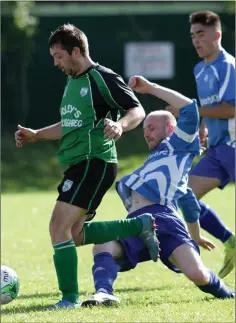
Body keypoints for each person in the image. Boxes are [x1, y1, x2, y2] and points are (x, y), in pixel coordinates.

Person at [14, 24, 161, 309]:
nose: (56, 63)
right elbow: (68, 125)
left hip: (94, 162)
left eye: (59, 56)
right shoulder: (72, 81)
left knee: (58, 227)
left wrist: (119, 125)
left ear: (76, 51)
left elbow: (137, 109)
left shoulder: (102, 78)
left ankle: (68, 299)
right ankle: (138, 225)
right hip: (78, 165)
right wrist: (37, 134)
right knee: (74, 234)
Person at [81, 75, 235, 307]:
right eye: (144, 130)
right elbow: (189, 202)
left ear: (171, 128)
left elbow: (189, 107)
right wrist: (196, 234)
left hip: (165, 220)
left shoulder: (177, 145)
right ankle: (104, 294)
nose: (146, 133)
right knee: (102, 247)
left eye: (152, 127)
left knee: (198, 275)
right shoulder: (159, 164)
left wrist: (150, 88)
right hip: (137, 221)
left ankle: (229, 295)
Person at [167, 11, 235, 278]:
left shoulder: (227, 66)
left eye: (201, 34)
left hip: (233, 146)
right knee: (183, 196)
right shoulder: (200, 69)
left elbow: (230, 109)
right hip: (218, 148)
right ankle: (230, 240)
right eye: (193, 35)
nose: (196, 40)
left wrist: (190, 110)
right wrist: (202, 128)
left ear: (217, 34)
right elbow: (209, 106)